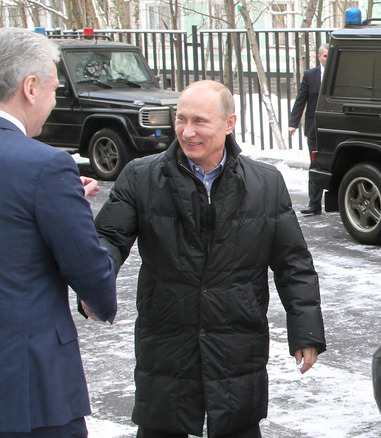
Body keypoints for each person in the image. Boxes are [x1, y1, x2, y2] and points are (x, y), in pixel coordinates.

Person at [95, 80, 326, 438]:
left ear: (229, 123)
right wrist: (94, 286)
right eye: (181, 119)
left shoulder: (264, 183)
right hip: (167, 341)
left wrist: (306, 330)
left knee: (235, 424)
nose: (188, 132)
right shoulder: (141, 177)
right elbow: (109, 239)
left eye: (200, 122)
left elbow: (292, 263)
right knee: (162, 424)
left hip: (236, 341)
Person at [0, 27, 117, 437]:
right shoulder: (45, 166)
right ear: (30, 87)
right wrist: (101, 303)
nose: (54, 101)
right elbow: (85, 265)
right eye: (54, 88)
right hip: (28, 383)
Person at [288, 44, 328, 215]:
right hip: (314, 128)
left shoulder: (340, 73)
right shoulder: (310, 75)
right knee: (316, 165)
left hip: (333, 128)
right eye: (325, 55)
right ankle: (314, 204)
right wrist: (293, 123)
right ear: (319, 57)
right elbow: (300, 100)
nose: (328, 58)